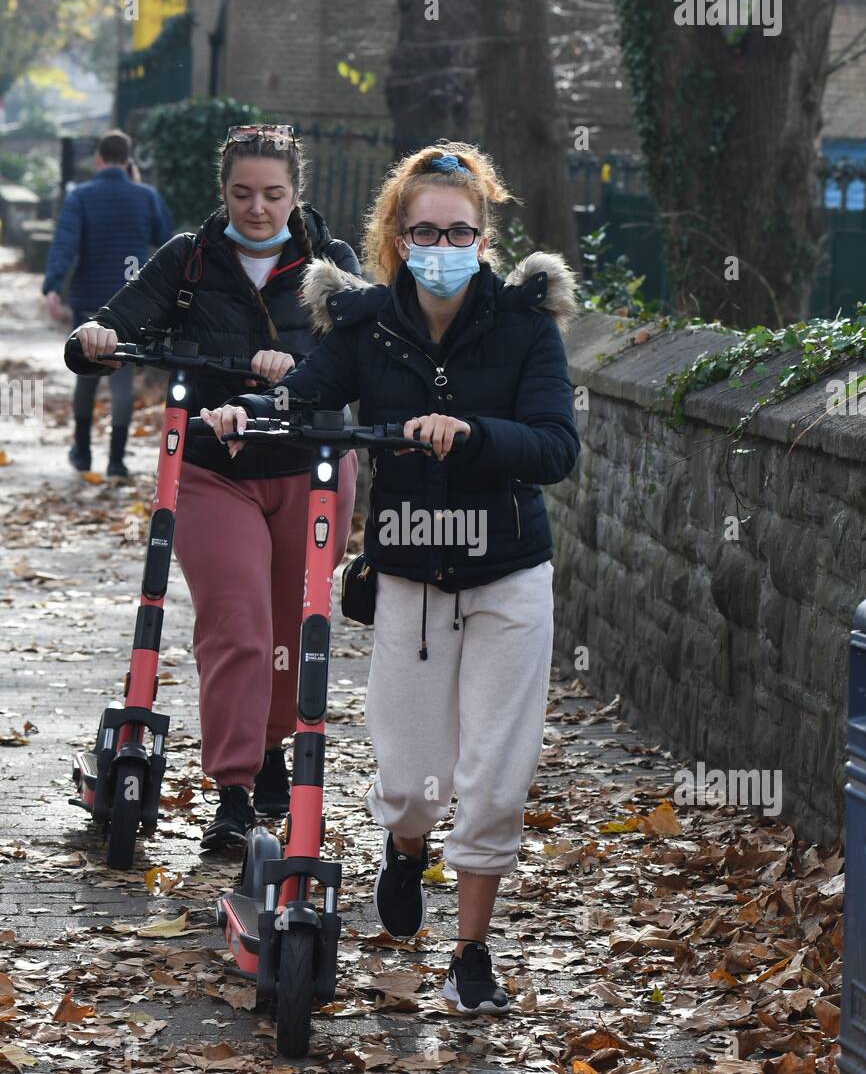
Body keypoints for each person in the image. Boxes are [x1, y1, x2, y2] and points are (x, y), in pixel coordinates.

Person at [202, 141, 580, 1015]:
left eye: (459, 230)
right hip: (409, 575)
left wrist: (475, 433)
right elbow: (306, 398)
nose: (442, 244)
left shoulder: (524, 324)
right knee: (411, 779)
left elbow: (556, 445)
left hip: (508, 573)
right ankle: (406, 847)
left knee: (495, 777)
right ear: (395, 235)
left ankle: (471, 954)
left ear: (483, 234)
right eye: (424, 229)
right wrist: (246, 414)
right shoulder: (366, 321)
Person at [63, 124, 360, 845]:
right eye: (241, 193)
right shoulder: (188, 260)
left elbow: (369, 350)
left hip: (309, 469)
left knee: (294, 630)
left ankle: (270, 749)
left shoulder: (333, 262)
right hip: (210, 468)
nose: (257, 209)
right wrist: (95, 340)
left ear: (296, 193)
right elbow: (116, 320)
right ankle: (233, 788)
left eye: (273, 194)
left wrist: (298, 366)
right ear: (223, 192)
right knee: (236, 626)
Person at [44, 127, 175, 478]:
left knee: (86, 377)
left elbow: (65, 243)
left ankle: (83, 452)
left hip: (89, 301)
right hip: (132, 305)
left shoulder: (81, 197)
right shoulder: (146, 197)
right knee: (121, 381)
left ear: (98, 159)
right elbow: (168, 245)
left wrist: (53, 285)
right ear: (128, 160)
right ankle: (117, 459)